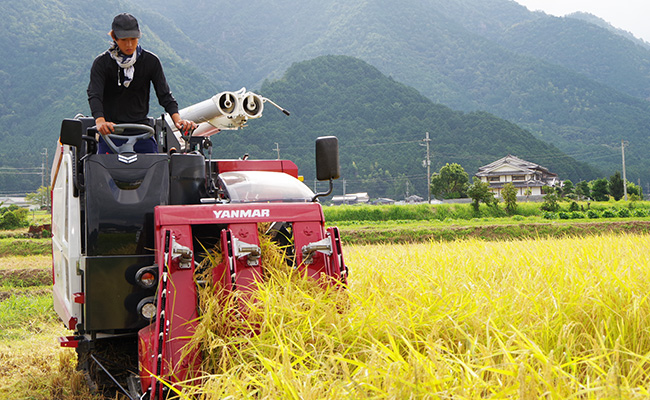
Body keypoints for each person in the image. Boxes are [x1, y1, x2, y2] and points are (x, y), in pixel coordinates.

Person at [87, 13, 197, 153]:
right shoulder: (102, 64)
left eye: (133, 39)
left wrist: (178, 120)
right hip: (111, 134)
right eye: (124, 39)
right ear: (114, 37)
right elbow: (94, 94)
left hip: (142, 132)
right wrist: (100, 121)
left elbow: (165, 96)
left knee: (157, 169)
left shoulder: (151, 61)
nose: (129, 44)